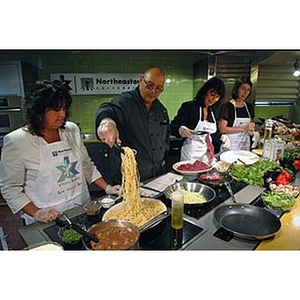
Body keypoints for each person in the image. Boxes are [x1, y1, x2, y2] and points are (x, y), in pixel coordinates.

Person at [0, 80, 120, 225]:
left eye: (64, 108)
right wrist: (37, 213)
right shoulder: (17, 141)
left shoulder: (72, 130)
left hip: (82, 209)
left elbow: (86, 165)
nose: (62, 114)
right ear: (38, 110)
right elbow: (10, 188)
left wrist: (107, 188)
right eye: (56, 109)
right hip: (47, 219)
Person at [95, 67, 170, 182]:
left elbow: (165, 137)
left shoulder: (161, 110)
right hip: (130, 176)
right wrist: (107, 122)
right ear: (141, 80)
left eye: (159, 89)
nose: (153, 91)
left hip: (156, 173)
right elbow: (108, 109)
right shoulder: (125, 101)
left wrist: (164, 157)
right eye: (150, 85)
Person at [170, 77, 226, 163]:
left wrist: (222, 136)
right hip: (190, 155)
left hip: (206, 155)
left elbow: (213, 134)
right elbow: (173, 127)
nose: (213, 99)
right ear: (205, 91)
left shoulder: (213, 111)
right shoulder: (189, 107)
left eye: (217, 96)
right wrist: (180, 130)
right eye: (212, 94)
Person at [218, 76, 255, 151]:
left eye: (248, 90)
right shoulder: (227, 107)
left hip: (244, 146)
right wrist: (244, 128)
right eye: (243, 89)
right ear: (237, 89)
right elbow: (222, 129)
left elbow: (250, 125)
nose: (245, 93)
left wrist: (251, 131)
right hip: (230, 146)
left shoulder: (249, 107)